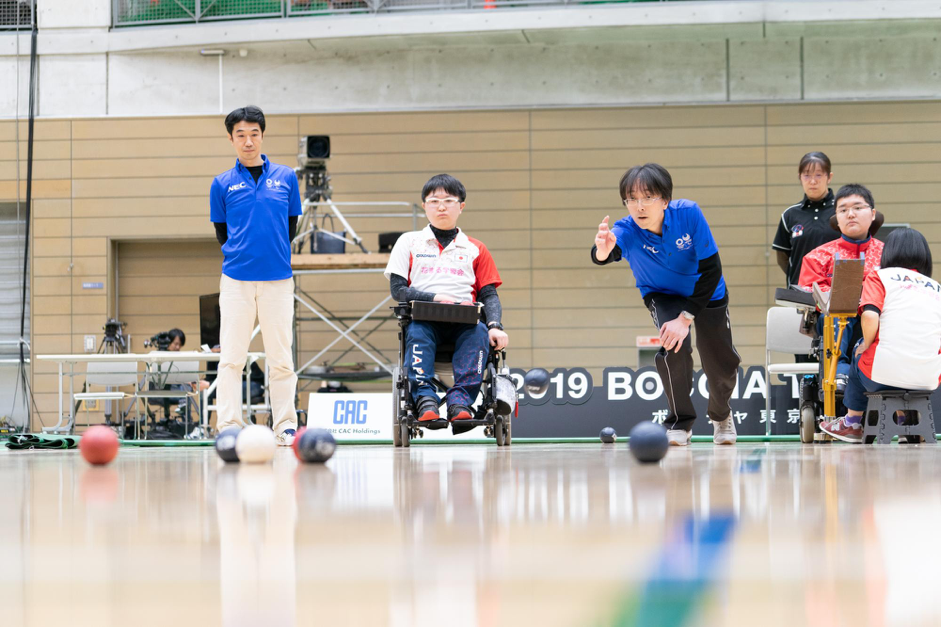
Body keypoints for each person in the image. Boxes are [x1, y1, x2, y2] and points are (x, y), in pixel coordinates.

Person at [591, 163, 741, 446]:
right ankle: (679, 422)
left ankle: (721, 416)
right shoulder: (626, 229)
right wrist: (602, 251)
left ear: (665, 200)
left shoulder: (689, 214)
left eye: (648, 197)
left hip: (706, 290)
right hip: (662, 294)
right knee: (674, 348)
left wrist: (686, 318)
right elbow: (608, 251)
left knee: (720, 361)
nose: (639, 206)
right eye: (631, 199)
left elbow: (712, 270)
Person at [384, 174, 509, 428]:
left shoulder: (476, 248)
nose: (441, 206)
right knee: (417, 332)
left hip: (466, 321)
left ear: (461, 206)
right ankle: (426, 402)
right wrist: (434, 298)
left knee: (480, 331)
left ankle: (460, 403)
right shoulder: (408, 242)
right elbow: (398, 290)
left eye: (449, 200)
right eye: (434, 201)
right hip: (423, 319)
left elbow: (489, 294)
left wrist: (496, 324)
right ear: (424, 206)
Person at [209, 106, 302, 446]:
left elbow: (289, 227)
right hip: (235, 281)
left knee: (281, 358)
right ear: (231, 139)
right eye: (240, 136)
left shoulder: (287, 177)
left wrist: (269, 253)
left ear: (262, 135)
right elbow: (222, 234)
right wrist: (243, 255)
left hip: (278, 279)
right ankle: (229, 426)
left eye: (254, 134)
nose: (248, 142)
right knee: (232, 357)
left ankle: (285, 426)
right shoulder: (221, 184)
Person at [821, 228, 941, 442]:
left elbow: (869, 315)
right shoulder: (936, 288)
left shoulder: (880, 276)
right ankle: (906, 425)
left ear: (889, 253)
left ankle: (852, 423)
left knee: (860, 352)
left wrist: (865, 345)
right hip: (929, 378)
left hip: (881, 376)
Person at [798, 184, 884, 379]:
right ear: (837, 218)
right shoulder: (817, 256)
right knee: (835, 313)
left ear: (872, 214)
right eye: (843, 210)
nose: (850, 214)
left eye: (858, 207)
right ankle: (839, 373)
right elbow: (810, 294)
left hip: (878, 318)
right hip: (836, 322)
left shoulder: (889, 254)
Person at [772, 152, 839, 289]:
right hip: (799, 293)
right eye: (807, 175)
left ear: (829, 177)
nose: (812, 181)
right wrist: (801, 276)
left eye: (819, 175)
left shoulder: (842, 211)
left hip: (836, 293)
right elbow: (782, 258)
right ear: (800, 178)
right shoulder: (790, 215)